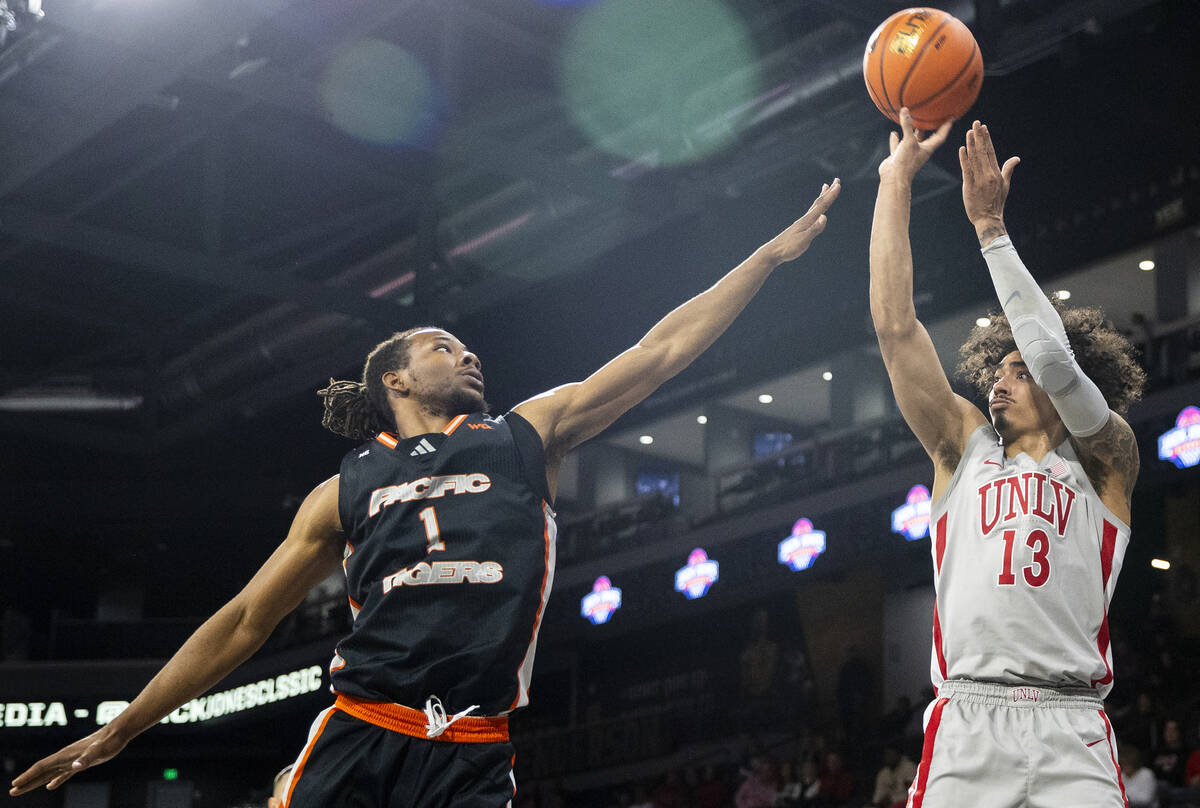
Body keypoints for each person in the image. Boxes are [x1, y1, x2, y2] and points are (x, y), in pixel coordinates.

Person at [9, 180, 840, 804]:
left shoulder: (526, 433)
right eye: (446, 347)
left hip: (473, 745)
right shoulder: (344, 489)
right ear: (398, 380)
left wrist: (765, 258)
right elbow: (242, 621)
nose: (468, 355)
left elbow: (660, 351)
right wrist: (122, 730)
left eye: (468, 347)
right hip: (364, 727)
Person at [868, 108, 1146, 808]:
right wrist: (894, 181)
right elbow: (895, 328)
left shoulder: (1108, 462)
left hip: (1072, 725)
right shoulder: (962, 447)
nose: (1000, 377)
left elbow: (1054, 356)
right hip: (968, 718)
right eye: (1000, 368)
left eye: (1017, 371)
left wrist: (990, 229)